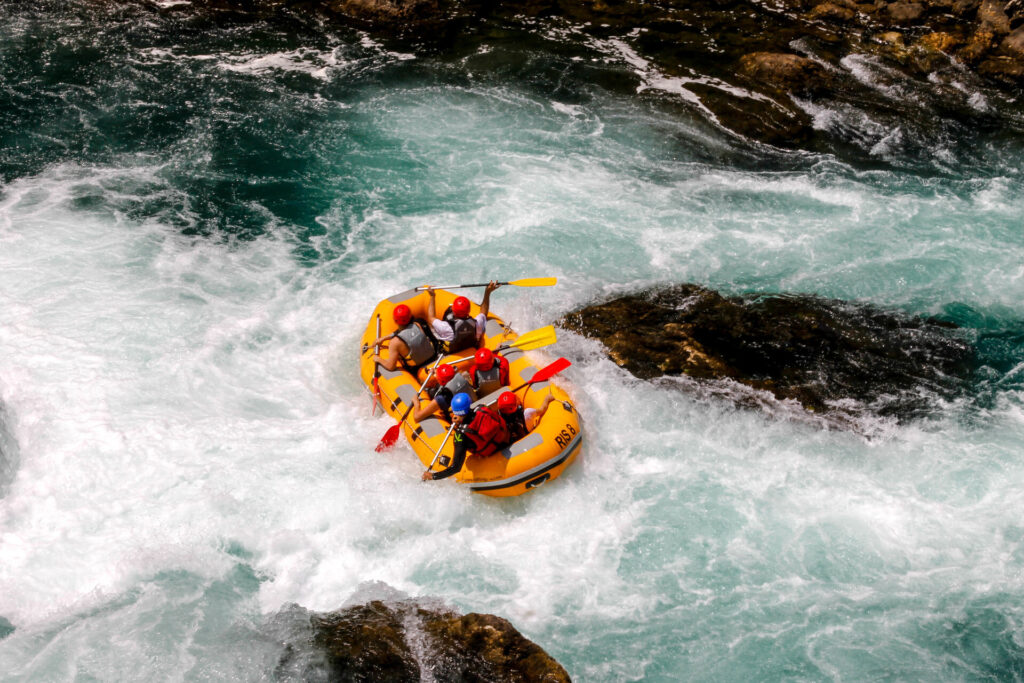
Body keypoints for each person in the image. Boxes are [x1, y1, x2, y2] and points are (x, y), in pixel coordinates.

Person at [422, 392, 509, 481]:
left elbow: (456, 467)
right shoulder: (481, 408)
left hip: (489, 453)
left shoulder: (460, 435)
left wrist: (433, 476)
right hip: (503, 440)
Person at [426, 281, 500, 354]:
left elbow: (431, 318)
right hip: (470, 349)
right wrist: (487, 292)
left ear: (454, 311)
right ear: (469, 311)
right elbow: (483, 312)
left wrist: (432, 296)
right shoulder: (476, 324)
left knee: (423, 325)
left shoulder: (445, 327)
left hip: (450, 354)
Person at [369, 304, 439, 377]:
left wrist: (378, 359)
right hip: (433, 359)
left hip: (417, 369)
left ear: (395, 320)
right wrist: (383, 338)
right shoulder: (417, 324)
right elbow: (404, 331)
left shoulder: (395, 342)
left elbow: (391, 366)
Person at [412, 362, 477, 423]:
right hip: (472, 407)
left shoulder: (442, 398)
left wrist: (416, 403)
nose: (436, 376)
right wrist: (435, 372)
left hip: (461, 419)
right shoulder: (462, 375)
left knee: (431, 392)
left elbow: (417, 417)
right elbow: (447, 377)